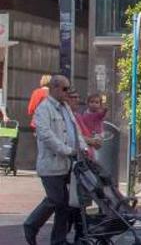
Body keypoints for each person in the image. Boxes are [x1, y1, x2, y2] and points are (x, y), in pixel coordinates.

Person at [24, 75, 98, 245]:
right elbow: (47, 136)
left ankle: (59, 240)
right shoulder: (43, 109)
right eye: (65, 89)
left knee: (64, 205)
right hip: (50, 165)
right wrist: (67, 151)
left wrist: (83, 148)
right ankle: (31, 225)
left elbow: (75, 131)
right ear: (55, 88)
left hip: (67, 165)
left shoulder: (65, 108)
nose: (68, 92)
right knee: (55, 200)